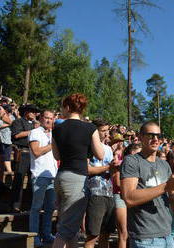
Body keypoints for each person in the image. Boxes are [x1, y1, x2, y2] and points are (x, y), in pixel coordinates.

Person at [120, 121, 174, 248]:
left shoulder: (164, 165)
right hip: (145, 237)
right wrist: (166, 186)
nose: (155, 139)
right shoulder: (131, 161)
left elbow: (172, 200)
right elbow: (129, 198)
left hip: (167, 234)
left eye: (158, 136)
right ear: (141, 137)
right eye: (150, 135)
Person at [52, 93, 104, 248]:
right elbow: (100, 155)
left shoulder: (57, 128)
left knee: (70, 227)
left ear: (68, 107)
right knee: (66, 229)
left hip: (61, 177)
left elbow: (56, 155)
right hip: (76, 180)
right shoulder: (90, 128)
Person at [85, 119, 116, 248]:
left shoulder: (108, 149)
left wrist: (115, 168)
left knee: (106, 235)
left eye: (107, 130)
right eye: (103, 131)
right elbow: (87, 169)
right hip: (94, 193)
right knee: (92, 236)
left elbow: (111, 171)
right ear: (94, 132)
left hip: (109, 192)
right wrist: (108, 167)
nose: (106, 133)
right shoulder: (88, 146)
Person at [28, 110, 57, 247]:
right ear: (41, 118)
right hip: (39, 175)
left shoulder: (53, 134)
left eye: (51, 118)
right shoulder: (35, 132)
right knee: (36, 208)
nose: (49, 120)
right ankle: (34, 237)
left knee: (50, 208)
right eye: (46, 118)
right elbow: (36, 151)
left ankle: (46, 234)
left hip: (53, 175)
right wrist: (52, 145)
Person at [10, 104, 38, 211]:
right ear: (26, 112)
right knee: (19, 179)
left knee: (32, 180)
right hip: (22, 152)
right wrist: (33, 131)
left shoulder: (34, 124)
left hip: (33, 153)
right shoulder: (18, 121)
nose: (35, 114)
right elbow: (16, 135)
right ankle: (15, 204)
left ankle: (28, 205)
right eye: (32, 111)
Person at [0, 104, 14, 182]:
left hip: (8, 141)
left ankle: (10, 174)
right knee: (1, 159)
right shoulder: (0, 117)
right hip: (1, 141)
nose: (9, 113)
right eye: (7, 111)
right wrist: (8, 124)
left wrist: (8, 123)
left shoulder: (11, 116)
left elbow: (14, 123)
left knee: (7, 158)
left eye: (9, 111)